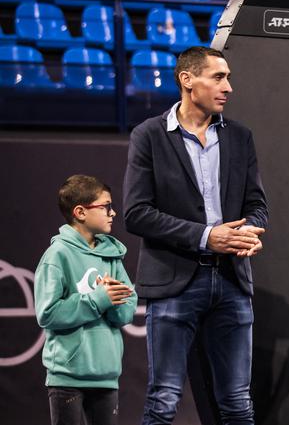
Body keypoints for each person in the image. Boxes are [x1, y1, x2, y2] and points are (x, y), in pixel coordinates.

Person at [124, 46, 269, 425]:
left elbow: (257, 204)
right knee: (163, 400)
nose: (228, 87)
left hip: (233, 281)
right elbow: (137, 213)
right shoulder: (149, 135)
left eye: (228, 78)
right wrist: (206, 236)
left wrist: (248, 232)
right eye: (218, 77)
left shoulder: (240, 137)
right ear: (187, 80)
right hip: (174, 282)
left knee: (238, 403)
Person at [35, 174, 137, 425]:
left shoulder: (112, 255)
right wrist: (98, 299)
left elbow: (126, 312)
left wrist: (112, 302)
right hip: (67, 377)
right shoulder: (57, 255)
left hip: (107, 375)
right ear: (80, 212)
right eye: (106, 206)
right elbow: (47, 313)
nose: (113, 213)